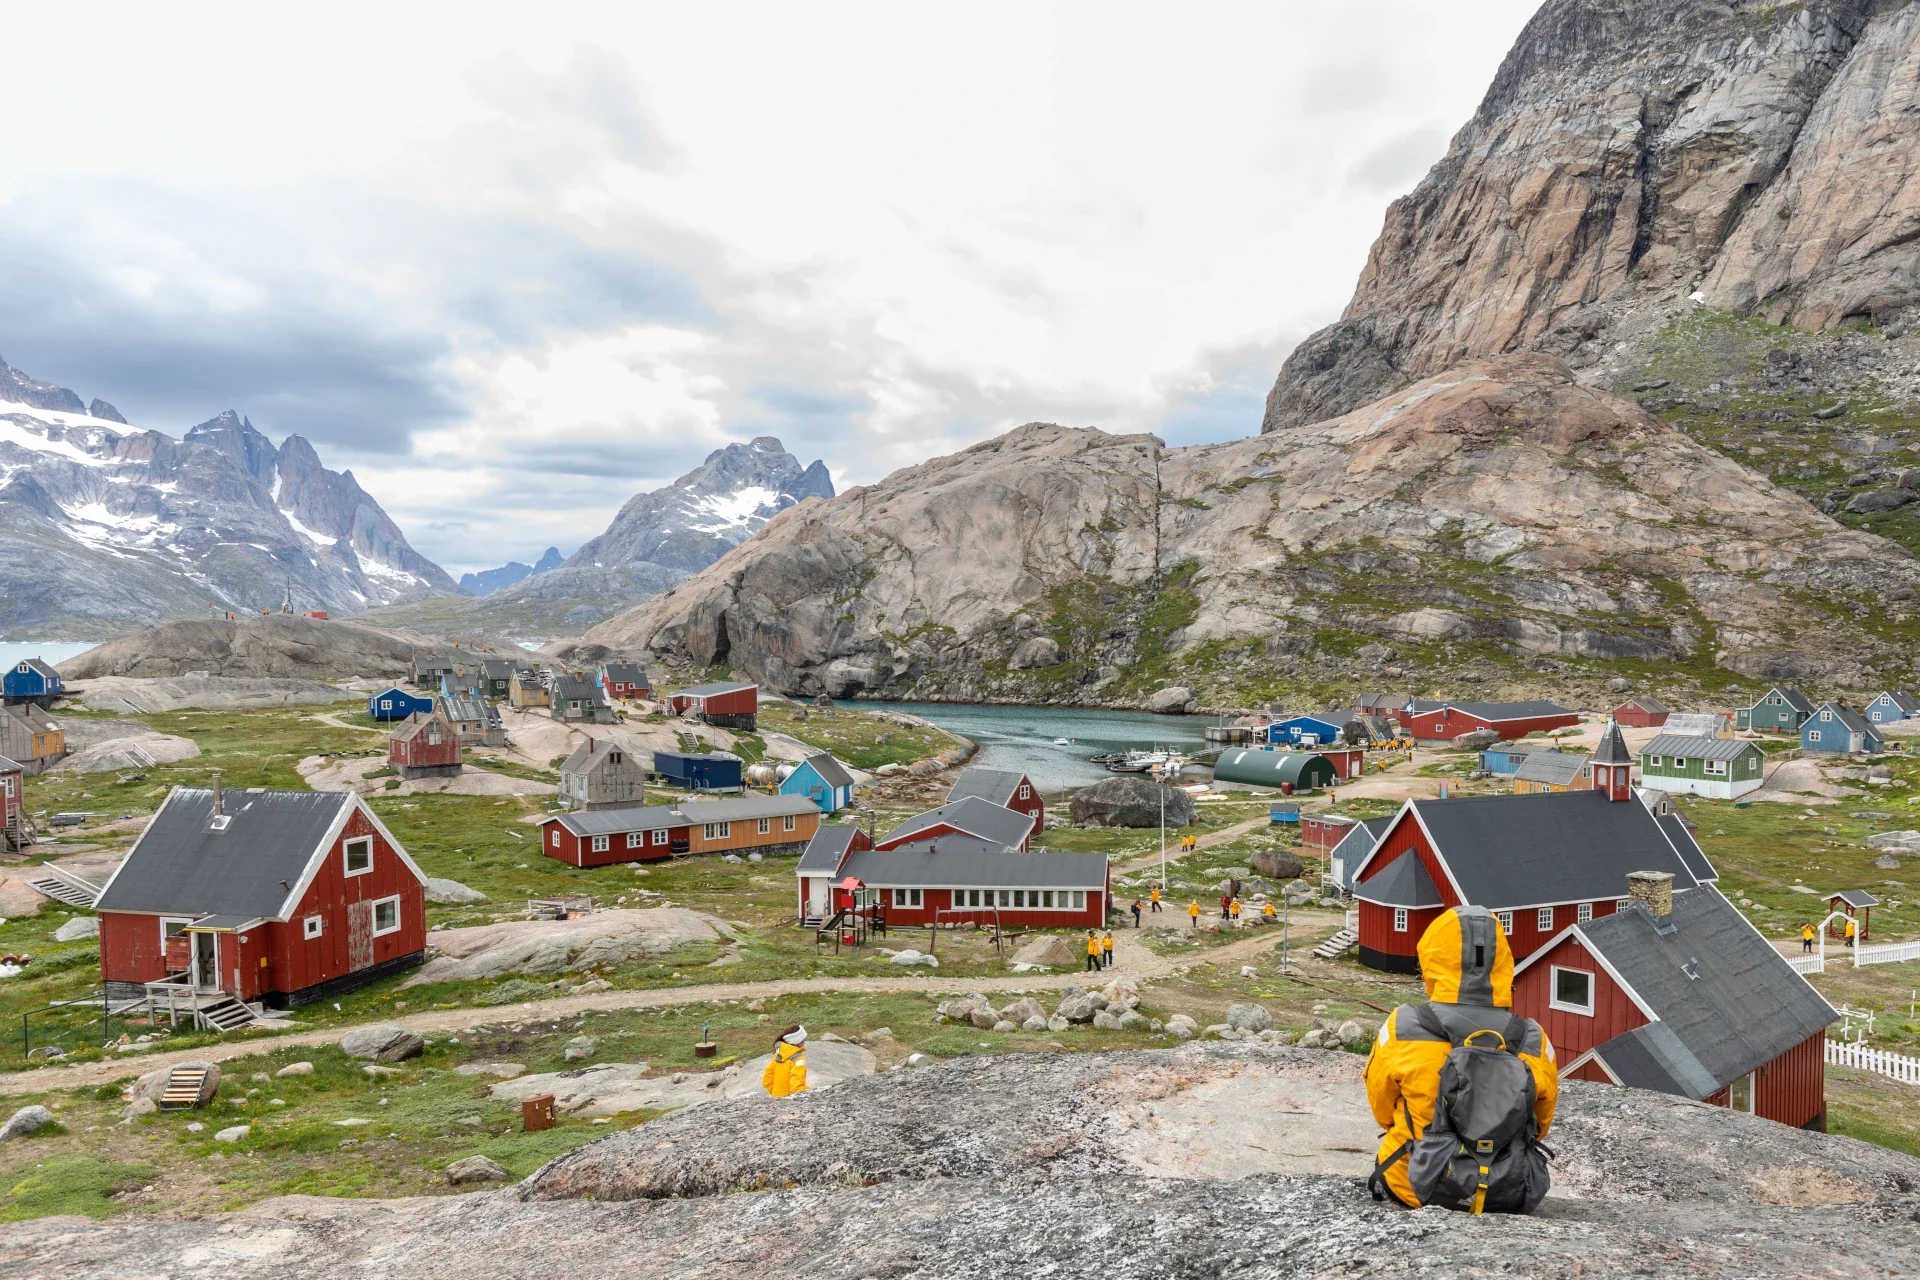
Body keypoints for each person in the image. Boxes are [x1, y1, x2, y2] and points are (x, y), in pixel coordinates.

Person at [1365, 906, 1558, 1214]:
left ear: (1432, 959)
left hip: (1411, 1185)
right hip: (1504, 1192)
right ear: (1502, 962)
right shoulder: (1533, 1038)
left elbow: (1382, 1107)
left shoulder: (1401, 1026)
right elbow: (1540, 1125)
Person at [762, 1024, 809, 1098]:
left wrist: (775, 1093)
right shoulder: (798, 1060)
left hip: (775, 1097)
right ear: (797, 1042)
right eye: (802, 1040)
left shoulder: (777, 1056)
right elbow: (797, 1087)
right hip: (790, 1100)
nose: (804, 1042)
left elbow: (767, 1080)